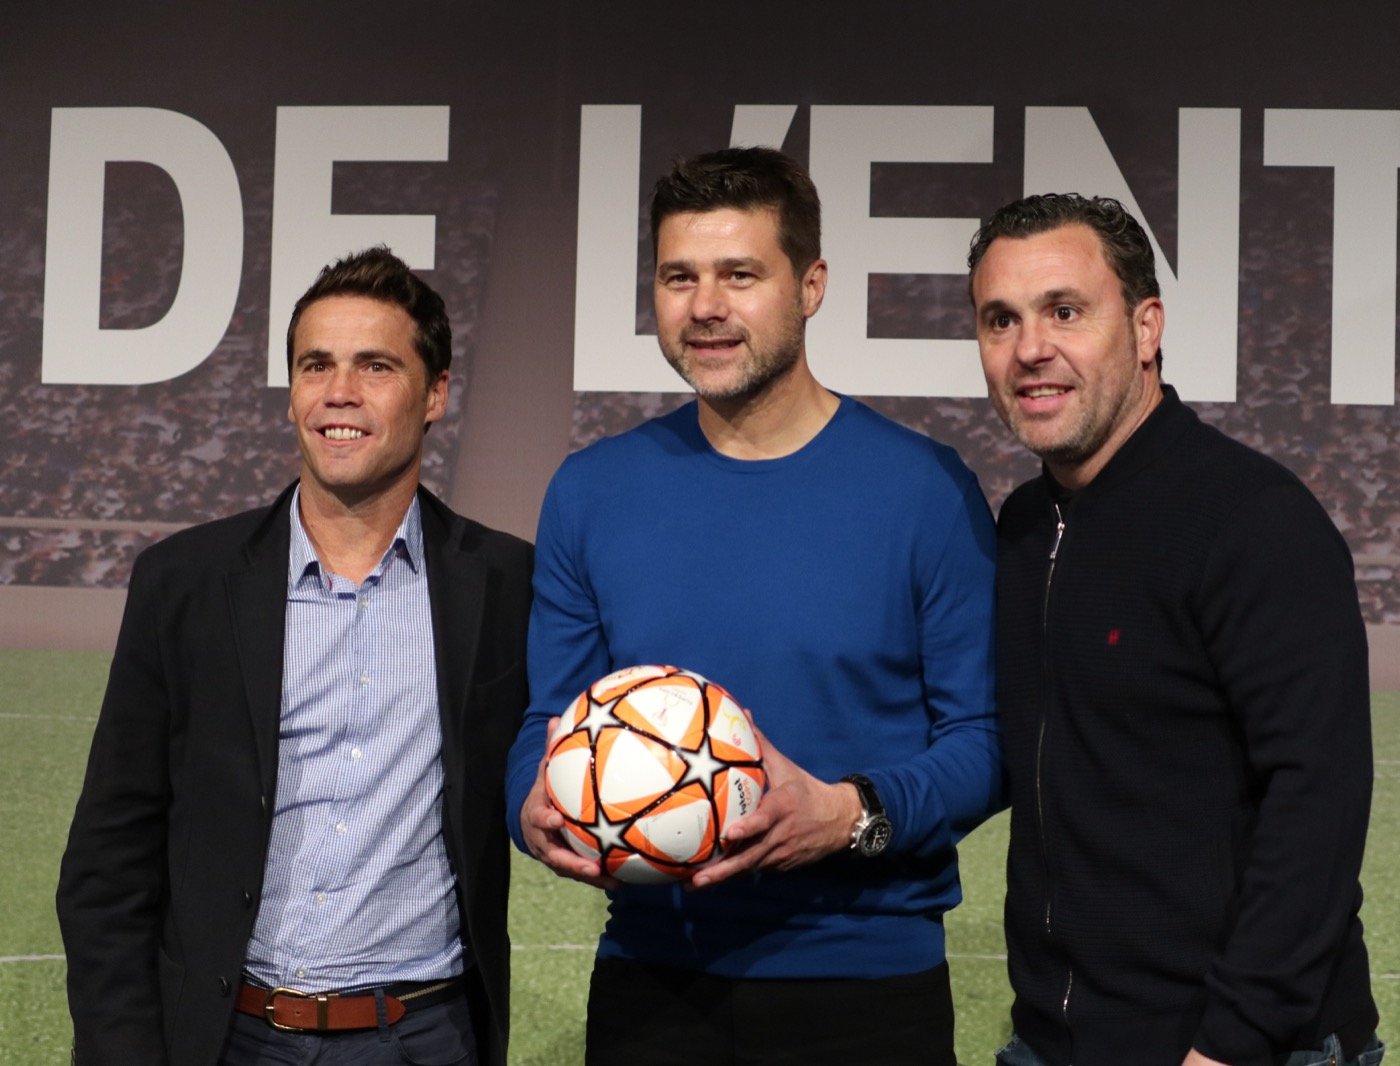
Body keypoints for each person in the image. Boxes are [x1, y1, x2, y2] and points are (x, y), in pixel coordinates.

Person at [506, 146, 1001, 1065]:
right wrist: (526, 806)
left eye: (741, 274)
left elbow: (985, 739)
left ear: (810, 286)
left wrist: (850, 812)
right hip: (653, 980)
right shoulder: (591, 491)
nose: (706, 307)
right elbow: (549, 716)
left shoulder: (924, 489)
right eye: (679, 276)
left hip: (869, 989)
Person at [56, 247, 534, 1066]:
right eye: (316, 365)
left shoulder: (507, 583)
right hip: (230, 1036)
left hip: (428, 1037)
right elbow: (111, 852)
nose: (338, 392)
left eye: (375, 365)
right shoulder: (186, 581)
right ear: (292, 394)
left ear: (437, 393)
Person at [968, 194, 1382, 1066]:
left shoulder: (1253, 520)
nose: (1029, 349)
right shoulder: (1023, 525)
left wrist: (1231, 1043)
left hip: (1235, 1050)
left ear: (1146, 326)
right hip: (1053, 1043)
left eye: (1066, 311)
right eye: (1000, 320)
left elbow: (1318, 803)